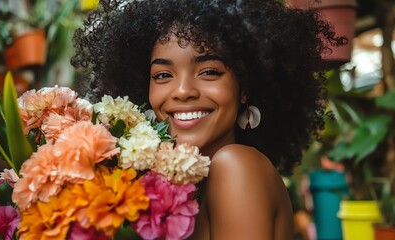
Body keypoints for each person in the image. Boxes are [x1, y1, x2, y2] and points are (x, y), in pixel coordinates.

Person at [71, 0, 345, 239]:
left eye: (209, 71)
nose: (183, 91)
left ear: (244, 88)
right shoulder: (183, 186)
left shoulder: (235, 166)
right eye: (163, 75)